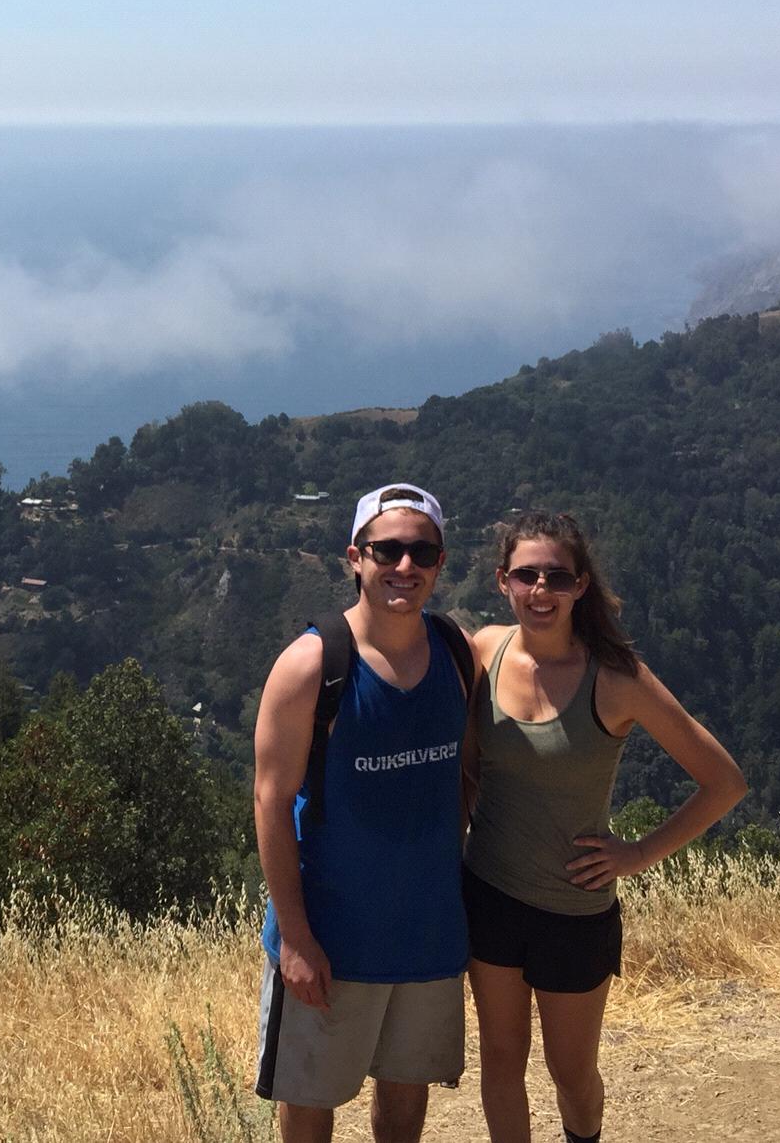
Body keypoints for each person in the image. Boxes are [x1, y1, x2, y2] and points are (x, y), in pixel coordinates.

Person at [463, 510, 746, 1143]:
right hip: (487, 896)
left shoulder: (616, 679)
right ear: (502, 581)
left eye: (557, 577)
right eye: (527, 575)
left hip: (575, 913)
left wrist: (638, 854)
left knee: (573, 1075)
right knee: (501, 1062)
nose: (541, 591)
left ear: (581, 585)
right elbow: (463, 764)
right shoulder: (485, 649)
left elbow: (724, 781)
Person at [253, 482, 476, 1143]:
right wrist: (294, 936)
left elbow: (465, 774)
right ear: (356, 556)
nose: (404, 566)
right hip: (330, 935)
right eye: (388, 550)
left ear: (440, 561)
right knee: (307, 1098)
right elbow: (268, 800)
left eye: (421, 551)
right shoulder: (312, 666)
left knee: (406, 1102)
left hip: (427, 933)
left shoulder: (456, 655)